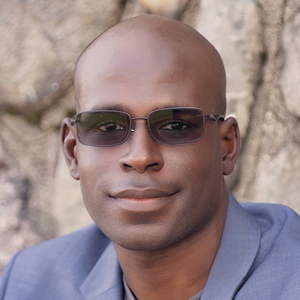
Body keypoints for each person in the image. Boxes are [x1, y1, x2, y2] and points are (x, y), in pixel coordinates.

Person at [1, 14, 300, 300]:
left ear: (227, 146)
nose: (141, 156)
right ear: (72, 151)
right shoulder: (29, 283)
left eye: (176, 125)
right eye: (107, 126)